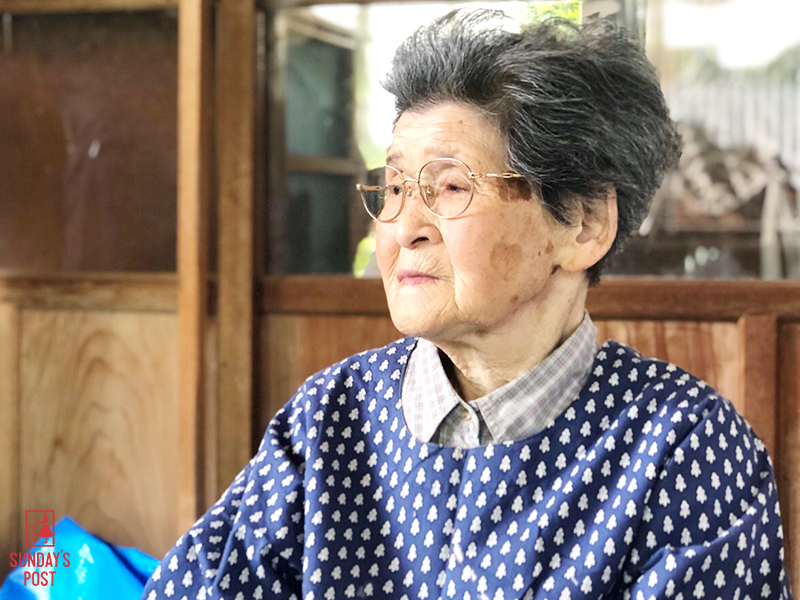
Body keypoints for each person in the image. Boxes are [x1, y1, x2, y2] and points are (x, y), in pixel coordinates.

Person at [142, 10, 792, 600]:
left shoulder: (682, 448)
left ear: (583, 224)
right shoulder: (328, 421)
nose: (403, 227)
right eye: (396, 186)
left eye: (449, 186)